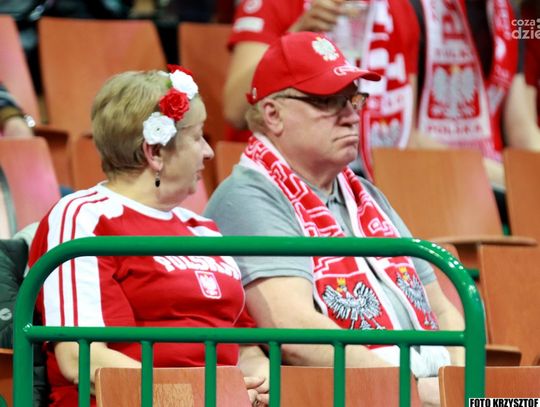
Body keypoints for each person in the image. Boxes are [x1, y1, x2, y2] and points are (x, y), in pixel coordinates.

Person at [205, 32, 465, 405]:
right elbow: (294, 332)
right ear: (273, 114)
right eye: (327, 102)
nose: (351, 116)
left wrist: (457, 383)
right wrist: (413, 390)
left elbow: (439, 305)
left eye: (353, 100)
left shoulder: (364, 194)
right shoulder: (248, 197)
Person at [28, 67, 269, 407]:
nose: (208, 152)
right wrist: (198, 397)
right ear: (154, 152)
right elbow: (83, 359)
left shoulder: (204, 229)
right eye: (197, 137)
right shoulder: (84, 217)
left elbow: (244, 347)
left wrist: (265, 384)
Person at [223, 0, 421, 177]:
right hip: (282, 172)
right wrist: (296, 37)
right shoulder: (274, 4)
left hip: (377, 177)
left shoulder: (398, 7)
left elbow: (407, 132)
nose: (352, 117)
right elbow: (235, 111)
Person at [408, 0, 540, 191]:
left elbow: (520, 128)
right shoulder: (412, 8)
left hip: (496, 183)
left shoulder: (507, 11)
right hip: (429, 181)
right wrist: (505, 176)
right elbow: (407, 136)